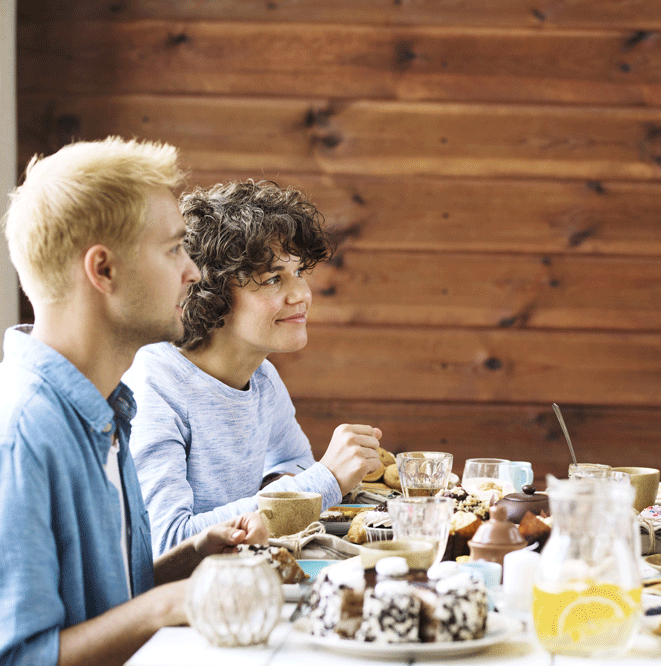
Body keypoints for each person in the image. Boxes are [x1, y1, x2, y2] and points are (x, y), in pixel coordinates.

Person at [0, 137, 269, 666]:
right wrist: (165, 606)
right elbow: (20, 658)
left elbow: (103, 602)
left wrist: (188, 560)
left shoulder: (105, 407)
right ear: (103, 271)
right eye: (173, 249)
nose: (192, 271)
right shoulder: (22, 433)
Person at [123, 179, 383, 555]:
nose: (302, 295)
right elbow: (166, 543)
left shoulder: (261, 377)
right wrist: (323, 480)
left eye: (300, 273)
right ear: (211, 291)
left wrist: (290, 485)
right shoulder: (155, 387)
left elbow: (292, 463)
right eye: (275, 278)